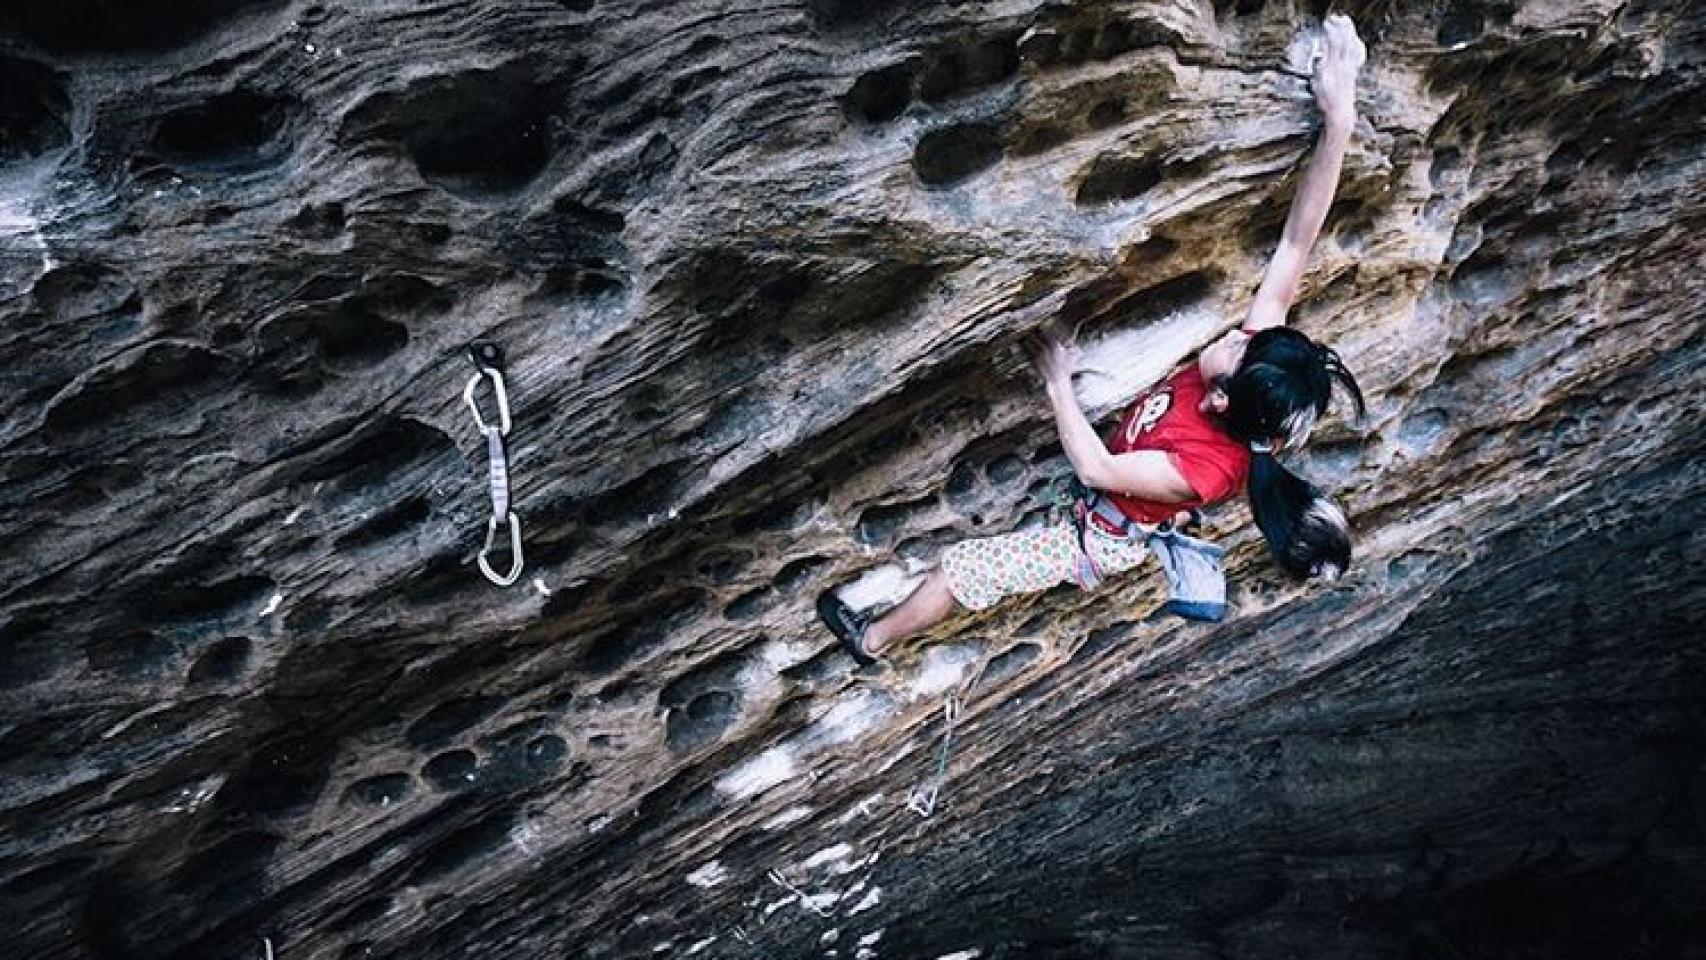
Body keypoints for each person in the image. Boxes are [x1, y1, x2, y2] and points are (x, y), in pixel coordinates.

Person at [818, 14, 1370, 664]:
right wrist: (1340, 116)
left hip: (1098, 536)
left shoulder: (1205, 465)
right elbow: (1295, 241)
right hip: (1126, 494)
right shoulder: (1260, 377)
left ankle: (871, 641)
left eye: (1239, 345)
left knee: (959, 570)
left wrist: (1057, 382)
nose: (1239, 333)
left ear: (1222, 401)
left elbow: (1098, 468)